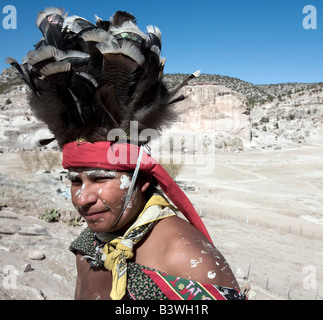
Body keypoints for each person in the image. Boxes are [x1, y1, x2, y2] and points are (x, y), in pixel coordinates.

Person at [7, 7, 246, 300]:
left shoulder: (187, 261)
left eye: (99, 179)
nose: (82, 199)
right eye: (75, 180)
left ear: (142, 181)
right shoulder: (89, 246)